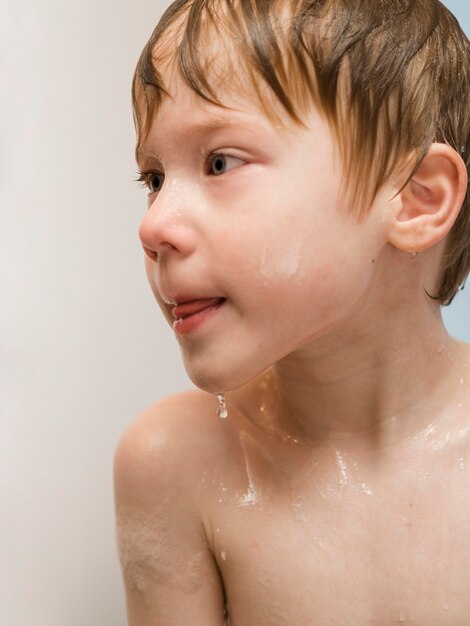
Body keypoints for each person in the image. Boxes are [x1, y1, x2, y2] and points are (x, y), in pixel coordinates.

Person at [113, 0, 470, 623]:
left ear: (415, 199)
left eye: (219, 162)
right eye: (154, 177)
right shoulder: (176, 464)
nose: (154, 225)